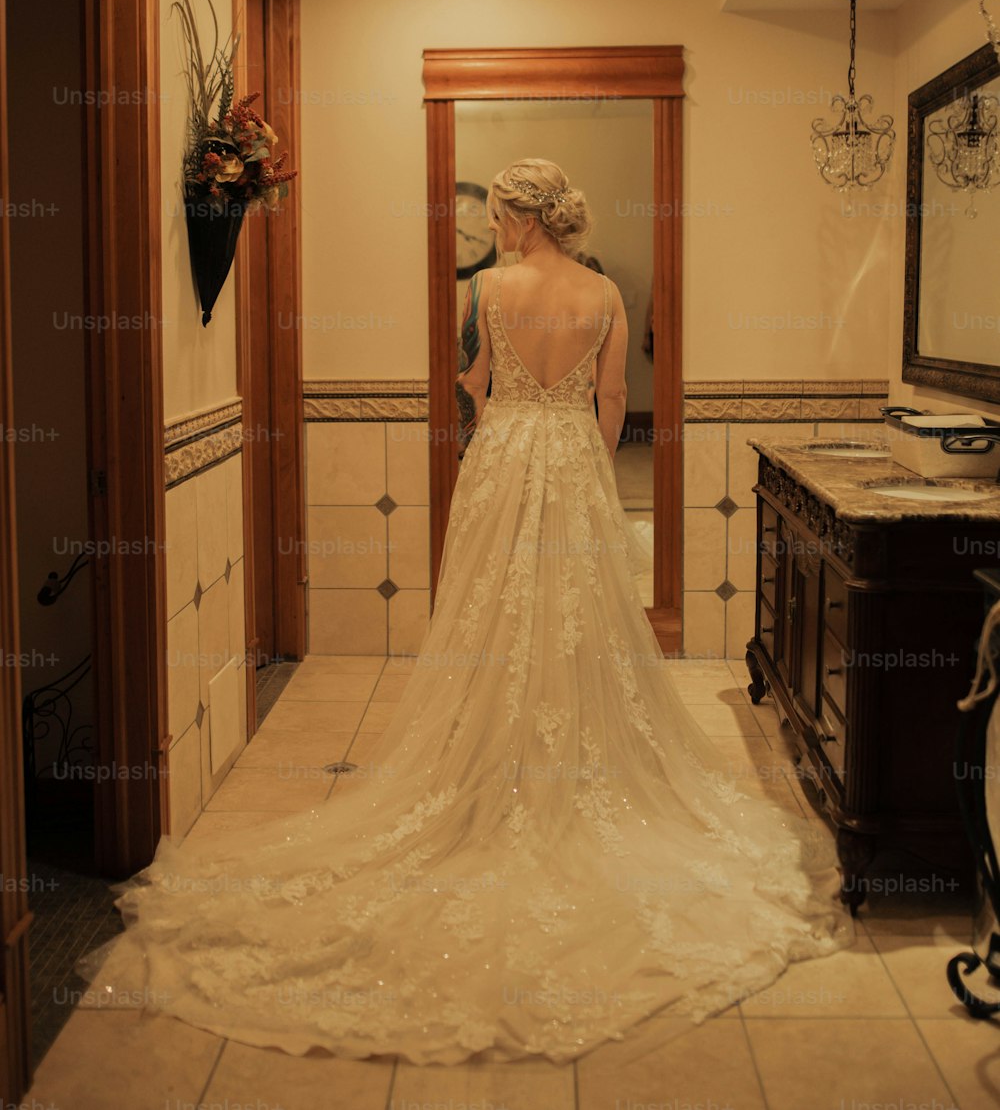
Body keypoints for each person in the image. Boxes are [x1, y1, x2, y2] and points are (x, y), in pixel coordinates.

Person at [77, 157, 853, 1065]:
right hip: (570, 459)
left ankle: (486, 761)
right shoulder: (604, 293)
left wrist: (500, 410)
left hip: (502, 457)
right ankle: (570, 763)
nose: (494, 229)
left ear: (525, 215)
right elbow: (613, 401)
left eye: (501, 214)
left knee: (492, 615)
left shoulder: (486, 287)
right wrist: (589, 466)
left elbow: (476, 381)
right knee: (577, 616)